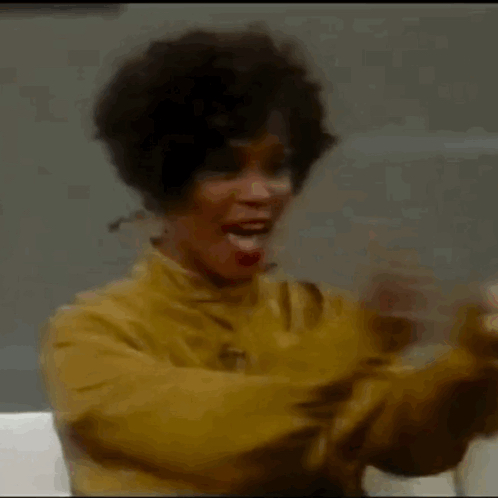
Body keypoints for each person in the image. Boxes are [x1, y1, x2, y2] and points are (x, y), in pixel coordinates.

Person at [39, 23, 498, 496]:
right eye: (225, 168)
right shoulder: (90, 337)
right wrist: (355, 346)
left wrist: (473, 365)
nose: (260, 193)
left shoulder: (320, 316)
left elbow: (412, 448)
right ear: (164, 181)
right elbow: (224, 447)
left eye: (277, 168)